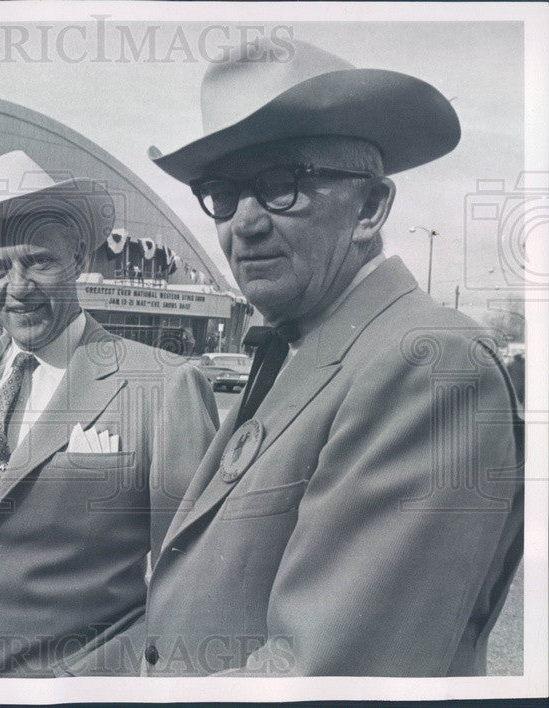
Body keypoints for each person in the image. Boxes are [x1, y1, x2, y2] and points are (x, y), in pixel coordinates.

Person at [141, 38, 524, 677]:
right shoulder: (303, 342)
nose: (245, 222)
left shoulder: (429, 365)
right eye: (223, 193)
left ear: (370, 208)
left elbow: (323, 675)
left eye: (281, 184)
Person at [0, 150, 219, 678]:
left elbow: (193, 579)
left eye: (39, 261)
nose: (18, 287)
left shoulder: (163, 386)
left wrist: (99, 679)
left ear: (79, 257)